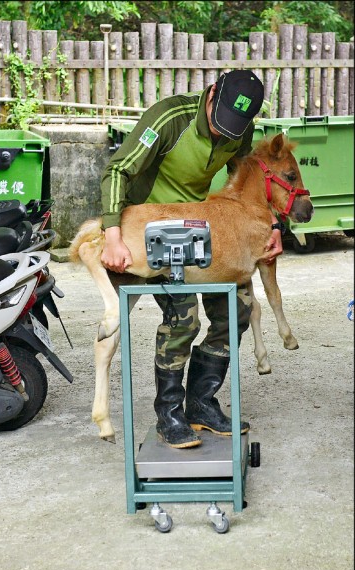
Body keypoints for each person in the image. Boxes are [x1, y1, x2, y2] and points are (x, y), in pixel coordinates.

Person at [100, 69, 283, 449]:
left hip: (201, 227)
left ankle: (201, 403)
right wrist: (113, 235)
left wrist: (273, 225)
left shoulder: (239, 128)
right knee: (183, 318)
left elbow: (250, 182)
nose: (223, 133)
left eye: (233, 128)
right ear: (212, 93)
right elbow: (117, 169)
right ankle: (169, 414)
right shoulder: (169, 119)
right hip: (153, 228)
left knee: (239, 309)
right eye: (220, 122)